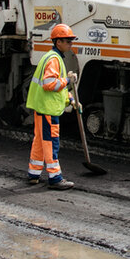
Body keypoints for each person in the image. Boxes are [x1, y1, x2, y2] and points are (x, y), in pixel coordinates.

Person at [25, 23, 77, 190]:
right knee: (51, 143)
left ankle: (33, 174)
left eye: (71, 41)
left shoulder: (51, 57)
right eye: (68, 41)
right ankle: (55, 178)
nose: (71, 44)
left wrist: (71, 99)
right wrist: (68, 81)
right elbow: (50, 84)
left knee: (40, 142)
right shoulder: (54, 59)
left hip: (43, 108)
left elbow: (57, 89)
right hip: (47, 110)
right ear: (58, 42)